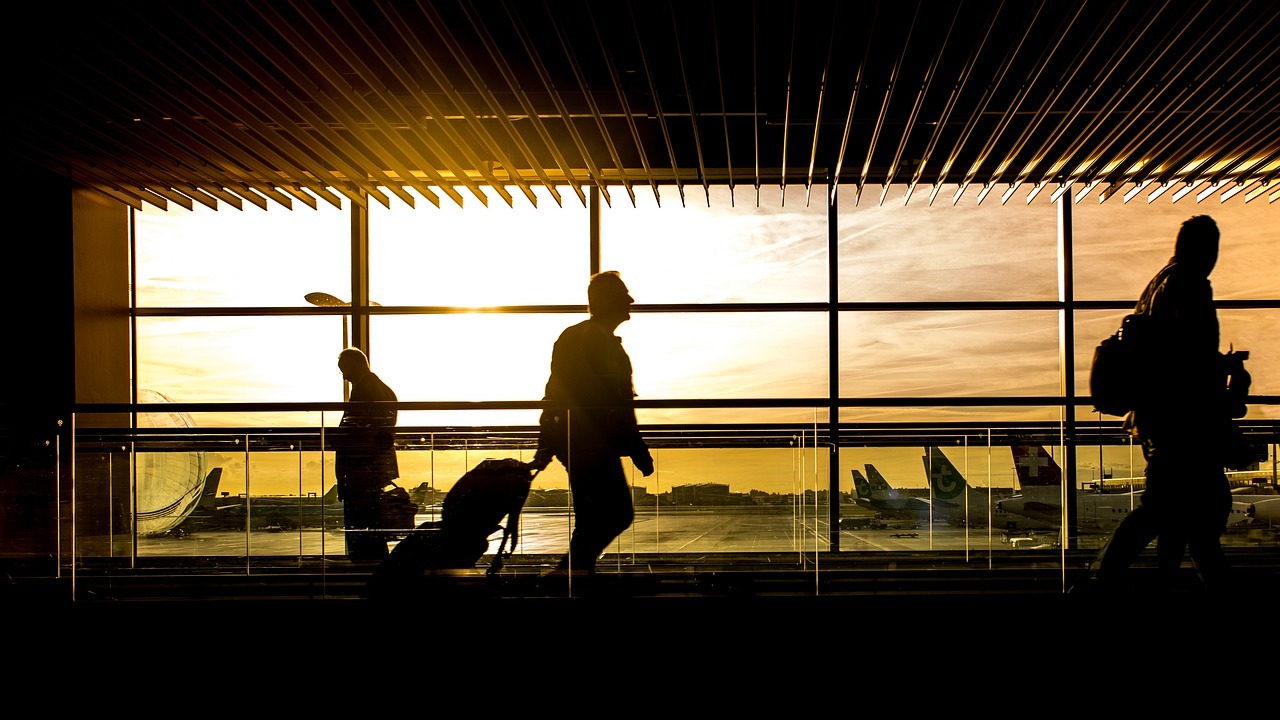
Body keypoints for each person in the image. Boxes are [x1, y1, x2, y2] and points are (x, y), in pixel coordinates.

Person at [1090, 215, 1251, 593]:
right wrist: (1225, 375)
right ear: (1207, 249)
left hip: (1158, 420)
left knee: (1176, 512)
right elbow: (1188, 362)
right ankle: (1108, 579)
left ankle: (1123, 579)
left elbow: (1169, 357)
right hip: (1184, 424)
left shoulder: (1157, 286)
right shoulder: (1190, 285)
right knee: (1188, 512)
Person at [531, 271, 655, 577]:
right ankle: (570, 574)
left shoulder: (582, 339)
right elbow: (617, 405)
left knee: (595, 517)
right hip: (589, 443)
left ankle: (574, 575)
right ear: (608, 300)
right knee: (617, 513)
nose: (631, 299)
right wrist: (637, 449)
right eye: (624, 293)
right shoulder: (596, 342)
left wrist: (547, 443)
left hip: (581, 441)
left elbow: (556, 393)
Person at [334, 347, 399, 561]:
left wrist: (344, 473)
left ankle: (364, 571)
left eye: (344, 369)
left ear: (356, 365)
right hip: (374, 469)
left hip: (359, 470)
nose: (344, 375)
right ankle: (377, 571)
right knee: (374, 529)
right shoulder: (385, 390)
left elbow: (355, 434)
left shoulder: (364, 391)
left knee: (359, 530)